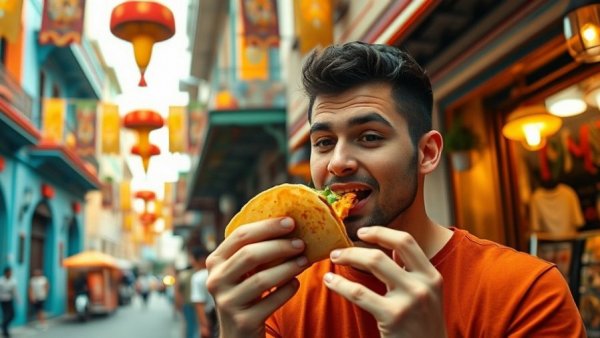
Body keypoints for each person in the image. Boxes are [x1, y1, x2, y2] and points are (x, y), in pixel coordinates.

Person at [205, 41, 585, 337]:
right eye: (323, 142)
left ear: (427, 153)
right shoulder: (282, 297)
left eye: (369, 136)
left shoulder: (526, 294)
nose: (337, 162)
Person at [189, 246, 215, 338]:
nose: (191, 262)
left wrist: (203, 326)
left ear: (201, 259)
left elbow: (199, 303)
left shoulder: (197, 277)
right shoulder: (217, 272)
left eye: (191, 258)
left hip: (210, 317)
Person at [175, 264, 198, 338]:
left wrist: (178, 304)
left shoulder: (183, 275)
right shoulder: (197, 274)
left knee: (189, 325)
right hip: (199, 304)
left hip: (187, 304)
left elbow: (178, 291)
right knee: (198, 326)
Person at [0, 267, 17, 338]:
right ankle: (5, 332)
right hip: (2, 299)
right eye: (9, 272)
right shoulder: (1, 280)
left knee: (12, 314)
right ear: (6, 272)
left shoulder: (13, 280)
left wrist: (17, 299)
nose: (10, 273)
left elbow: (14, 290)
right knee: (6, 314)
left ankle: (3, 325)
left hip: (10, 299)